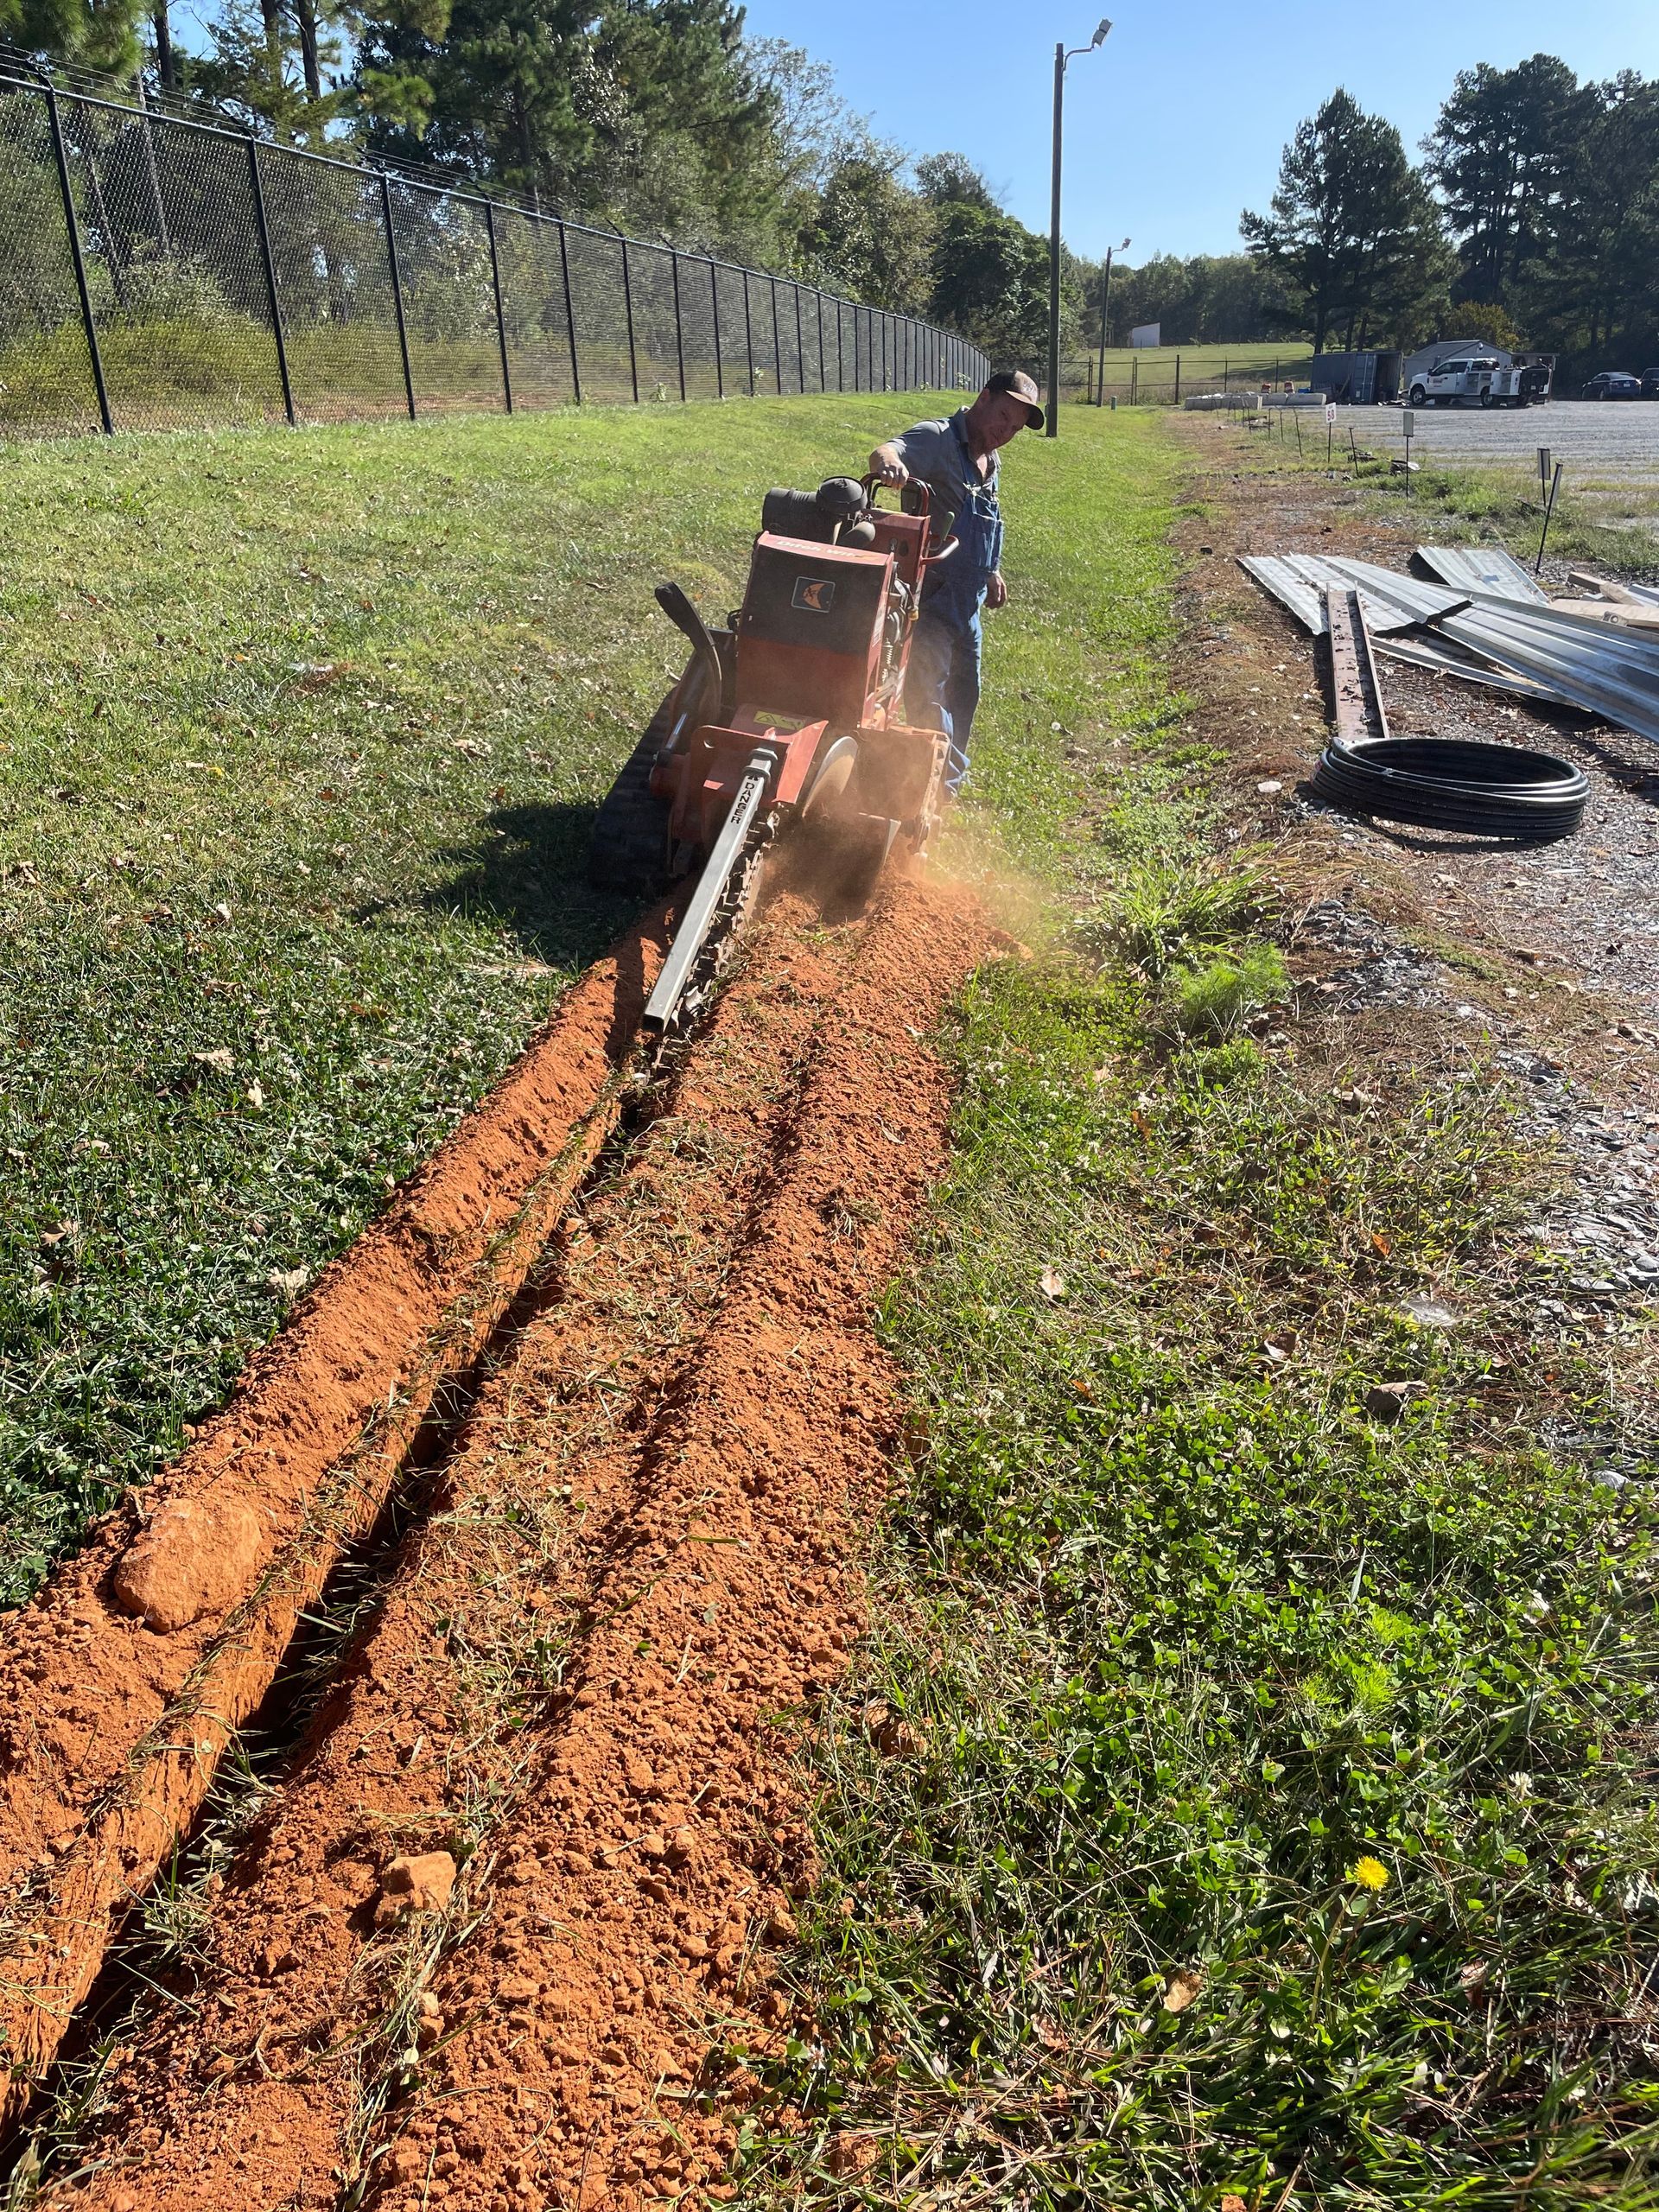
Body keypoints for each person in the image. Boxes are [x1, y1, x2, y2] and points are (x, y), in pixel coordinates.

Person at [868, 369, 1044, 791]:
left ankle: (945, 782)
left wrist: (993, 569)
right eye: (1003, 417)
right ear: (983, 398)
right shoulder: (940, 438)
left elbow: (988, 520)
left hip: (970, 603)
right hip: (931, 601)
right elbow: (888, 451)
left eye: (1015, 429)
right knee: (930, 698)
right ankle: (930, 788)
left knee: (965, 694)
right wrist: (890, 464)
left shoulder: (989, 458)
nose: (1006, 432)